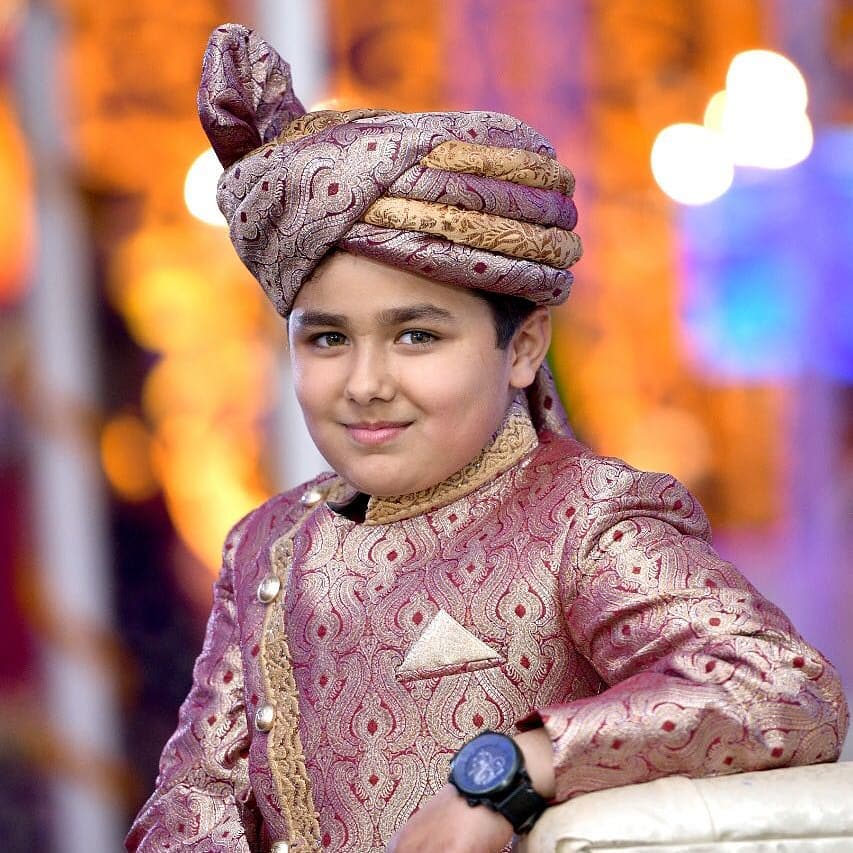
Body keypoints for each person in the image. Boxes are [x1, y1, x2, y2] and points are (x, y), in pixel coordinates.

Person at [126, 23, 848, 853]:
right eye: (327, 339)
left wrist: (512, 768)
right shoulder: (268, 543)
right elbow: (194, 800)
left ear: (524, 347)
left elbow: (780, 689)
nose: (364, 382)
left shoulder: (583, 518)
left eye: (416, 336)